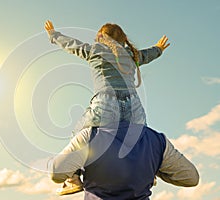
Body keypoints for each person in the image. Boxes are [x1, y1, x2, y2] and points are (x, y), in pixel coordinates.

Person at [44, 20, 170, 195]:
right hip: (133, 106)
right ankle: (151, 172)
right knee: (140, 139)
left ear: (101, 37)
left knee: (78, 135)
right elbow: (146, 55)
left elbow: (72, 45)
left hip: (106, 104)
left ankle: (72, 179)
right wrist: (159, 48)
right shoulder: (131, 54)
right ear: (123, 39)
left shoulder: (95, 50)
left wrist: (54, 35)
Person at [50, 122, 200, 200]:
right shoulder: (155, 140)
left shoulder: (89, 136)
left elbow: (56, 173)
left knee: (79, 130)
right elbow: (191, 178)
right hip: (148, 140)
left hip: (90, 137)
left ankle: (73, 177)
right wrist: (153, 164)